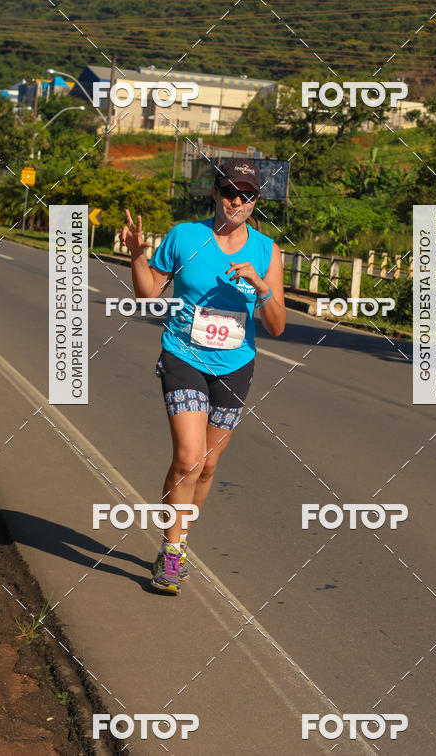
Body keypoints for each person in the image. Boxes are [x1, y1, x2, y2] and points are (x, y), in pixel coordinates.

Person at [121, 160, 286, 594]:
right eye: (231, 192)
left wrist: (261, 286)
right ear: (215, 193)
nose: (238, 202)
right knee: (189, 457)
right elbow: (147, 294)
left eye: (248, 195)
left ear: (256, 203)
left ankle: (182, 539)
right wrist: (137, 257)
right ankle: (171, 553)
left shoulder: (267, 251)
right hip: (184, 356)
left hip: (235, 365)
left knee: (209, 466)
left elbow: (277, 325)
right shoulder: (184, 236)